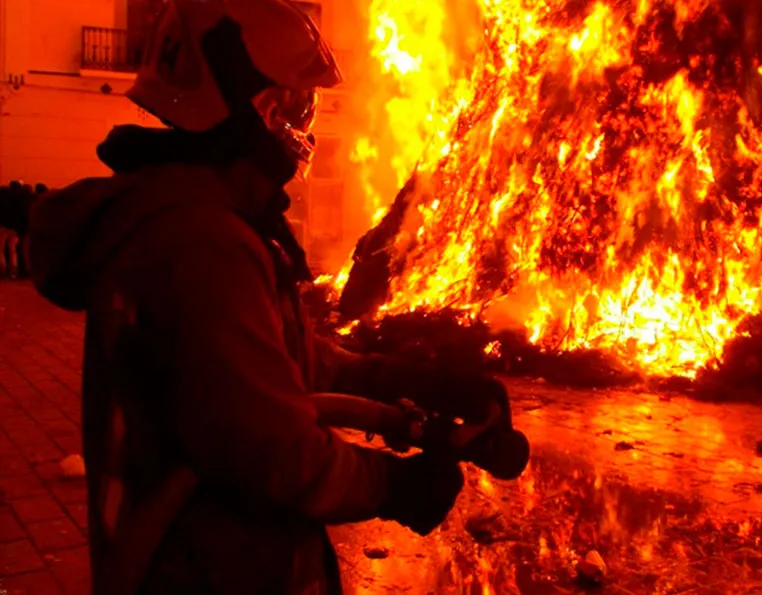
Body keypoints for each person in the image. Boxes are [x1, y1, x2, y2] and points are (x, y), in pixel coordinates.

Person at [27, 1, 477, 593]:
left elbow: (287, 361)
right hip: (206, 567)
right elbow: (274, 450)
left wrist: (411, 383)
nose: (302, 126)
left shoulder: (190, 216)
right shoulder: (200, 243)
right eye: (294, 106)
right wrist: (391, 486)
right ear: (249, 109)